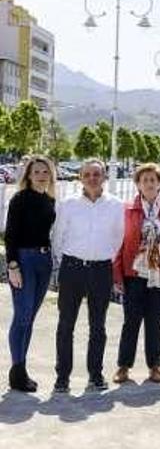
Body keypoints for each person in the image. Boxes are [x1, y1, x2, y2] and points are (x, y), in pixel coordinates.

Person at [52, 159, 125, 393]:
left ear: (104, 177)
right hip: (72, 269)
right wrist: (65, 265)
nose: (92, 178)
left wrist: (104, 259)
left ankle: (95, 374)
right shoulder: (68, 204)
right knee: (65, 325)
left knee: (98, 326)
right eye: (87, 174)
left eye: (97, 174)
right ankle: (62, 377)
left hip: (100, 270)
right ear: (80, 177)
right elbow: (58, 237)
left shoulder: (116, 205)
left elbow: (119, 238)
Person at [112, 163, 160, 385]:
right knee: (131, 321)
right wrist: (117, 276)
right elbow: (118, 244)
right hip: (134, 273)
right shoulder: (127, 210)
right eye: (145, 180)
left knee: (154, 322)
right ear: (138, 185)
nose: (150, 184)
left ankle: (155, 367)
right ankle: (123, 367)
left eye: (154, 180)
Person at [4, 155, 56, 392]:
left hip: (44, 261)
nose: (41, 176)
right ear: (28, 175)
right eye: (36, 172)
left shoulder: (50, 201)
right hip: (24, 261)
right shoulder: (19, 199)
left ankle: (21, 369)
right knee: (22, 316)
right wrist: (12, 266)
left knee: (30, 318)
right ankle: (17, 371)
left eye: (45, 172)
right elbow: (11, 236)